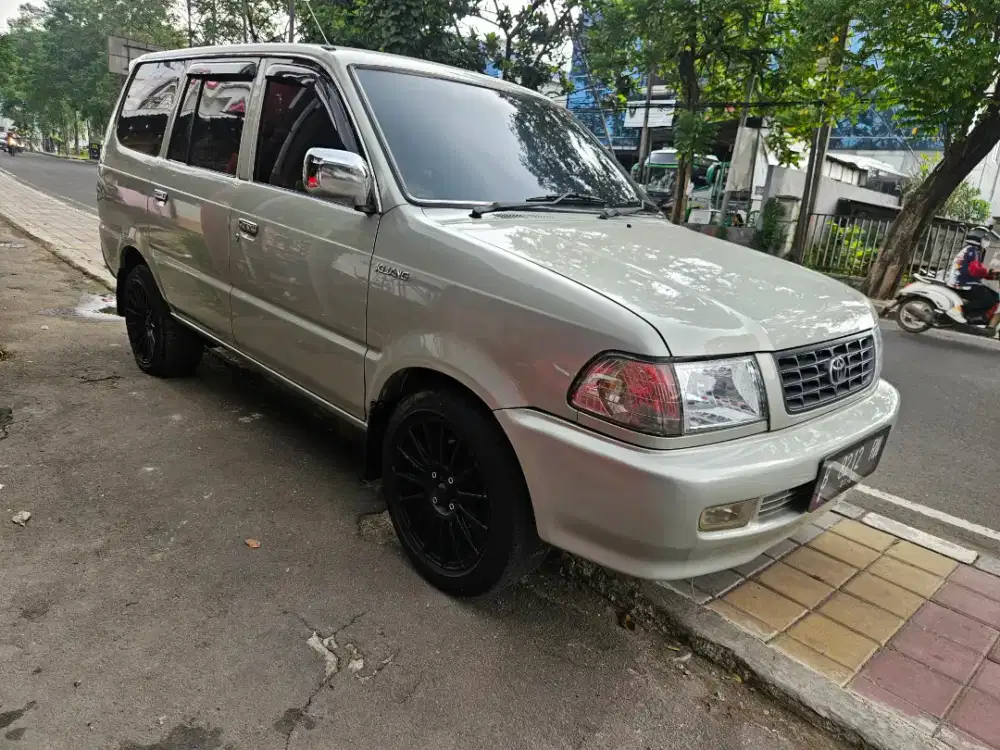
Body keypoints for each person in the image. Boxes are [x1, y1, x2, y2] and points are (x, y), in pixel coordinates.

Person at [946, 226, 1000, 325]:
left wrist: (993, 275)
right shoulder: (972, 251)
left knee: (995, 296)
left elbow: (978, 270)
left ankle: (975, 317)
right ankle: (960, 310)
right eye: (985, 238)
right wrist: (991, 272)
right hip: (962, 283)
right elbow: (974, 270)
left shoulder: (973, 250)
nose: (987, 241)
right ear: (978, 238)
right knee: (988, 300)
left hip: (968, 281)